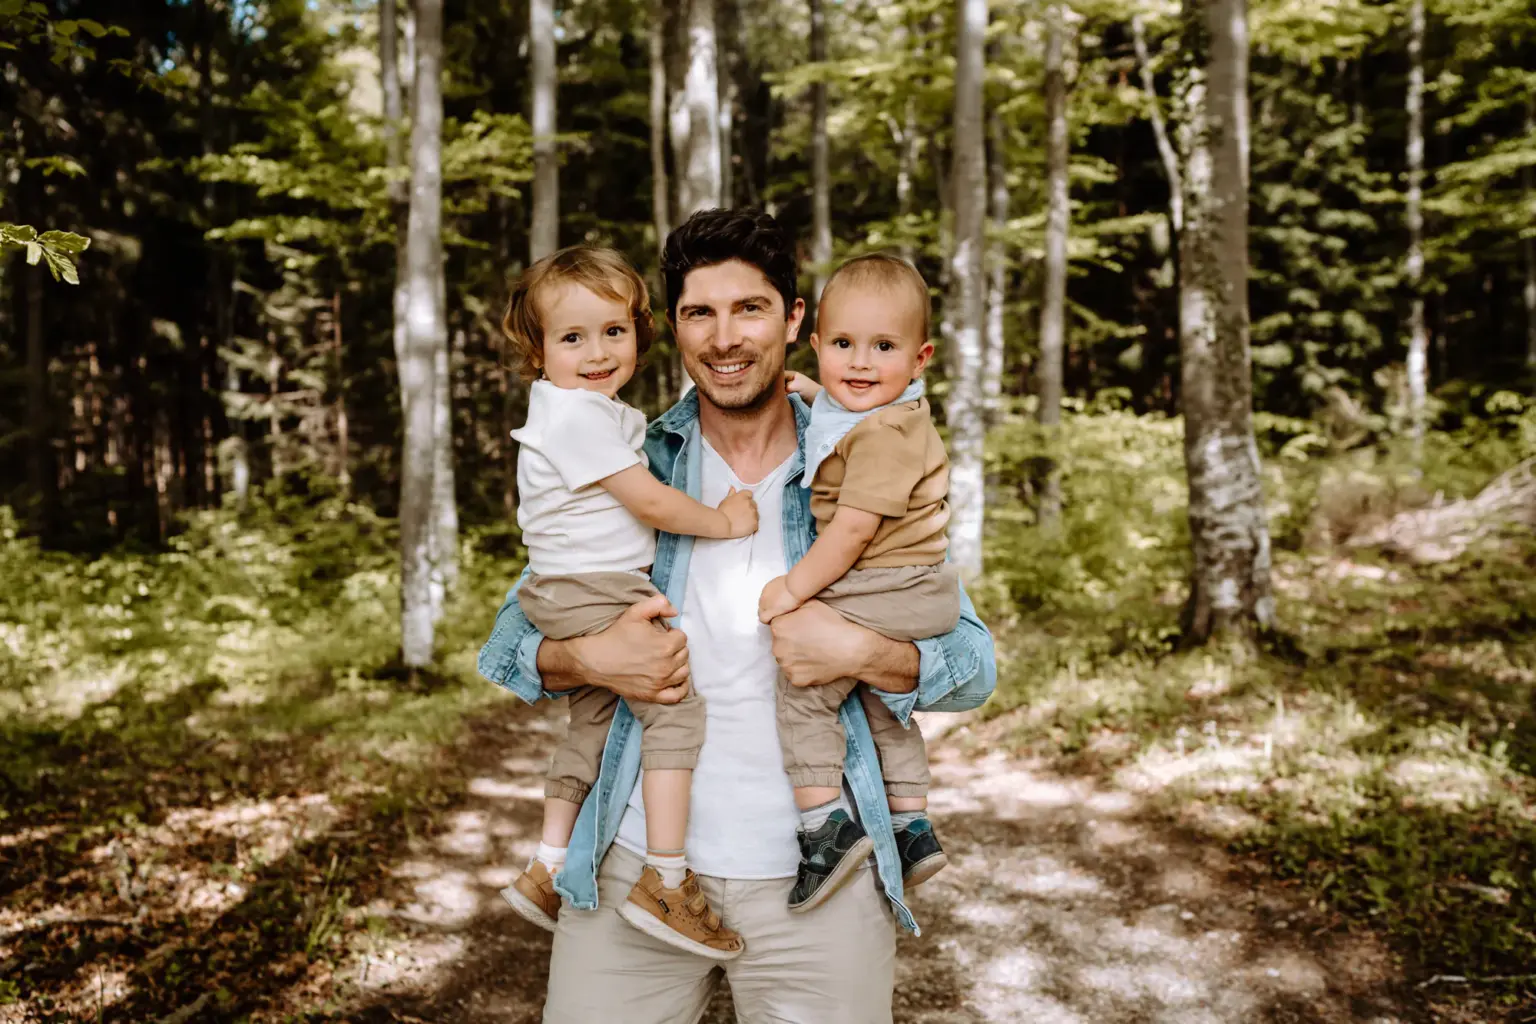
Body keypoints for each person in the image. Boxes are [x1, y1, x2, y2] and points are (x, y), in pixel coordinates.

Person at [478, 208, 995, 1023]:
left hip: (822, 881)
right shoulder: (632, 462)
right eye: (699, 313)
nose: (725, 337)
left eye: (749, 308)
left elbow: (972, 668)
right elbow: (509, 646)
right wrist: (589, 660)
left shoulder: (860, 455)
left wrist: (858, 649)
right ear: (673, 330)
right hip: (635, 872)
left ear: (795, 321)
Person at [497, 245, 757, 961]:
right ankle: (667, 878)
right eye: (572, 337)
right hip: (595, 590)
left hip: (569, 587)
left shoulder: (588, 412)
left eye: (613, 331)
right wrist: (726, 521)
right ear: (538, 350)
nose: (597, 351)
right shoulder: (576, 417)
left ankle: (548, 867)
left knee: (593, 723)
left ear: (640, 333)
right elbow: (647, 500)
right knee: (674, 706)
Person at [760, 253, 955, 914]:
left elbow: (849, 533)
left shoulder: (886, 436)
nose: (861, 363)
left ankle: (825, 828)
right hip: (914, 585)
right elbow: (847, 418)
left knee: (805, 685)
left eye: (883, 347)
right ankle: (911, 825)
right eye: (843, 345)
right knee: (878, 702)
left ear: (921, 357)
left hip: (886, 581)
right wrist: (814, 394)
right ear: (815, 346)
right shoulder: (871, 413)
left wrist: (792, 590)